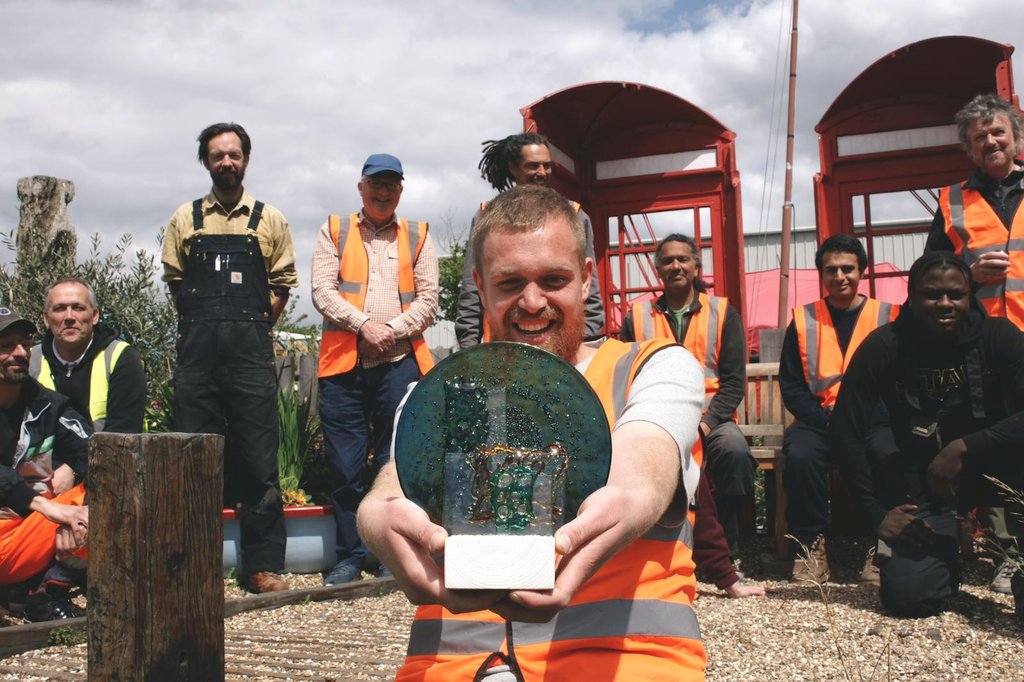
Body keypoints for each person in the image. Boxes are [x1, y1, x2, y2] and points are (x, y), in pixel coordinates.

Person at [358, 185, 707, 680]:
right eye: (509, 284)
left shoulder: (652, 369)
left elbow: (643, 468)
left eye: (553, 279)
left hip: (621, 661)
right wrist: (373, 517)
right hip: (453, 665)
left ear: (586, 278)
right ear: (479, 286)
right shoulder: (434, 393)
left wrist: (621, 504)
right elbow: (393, 490)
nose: (532, 301)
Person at [830, 252, 1024, 616]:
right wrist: (877, 515)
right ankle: (943, 557)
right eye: (933, 295)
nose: (946, 304)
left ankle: (1016, 563)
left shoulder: (999, 337)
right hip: (926, 484)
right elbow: (845, 431)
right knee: (908, 597)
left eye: (956, 294)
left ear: (970, 296)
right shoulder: (885, 345)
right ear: (912, 296)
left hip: (999, 473)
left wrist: (965, 447)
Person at [162, 122, 298, 594]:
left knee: (259, 461)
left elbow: (281, 286)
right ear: (205, 161)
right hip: (198, 353)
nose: (226, 162)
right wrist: (208, 322)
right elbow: (177, 285)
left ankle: (261, 566)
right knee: (192, 457)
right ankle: (193, 564)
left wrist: (255, 324)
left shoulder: (270, 220)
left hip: (250, 353)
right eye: (217, 155)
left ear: (246, 159)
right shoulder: (185, 219)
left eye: (234, 154)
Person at [312, 153, 438, 586]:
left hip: (399, 364)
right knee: (344, 468)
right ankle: (350, 556)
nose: (383, 192)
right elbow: (322, 291)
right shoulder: (334, 229)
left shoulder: (419, 235)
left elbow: (429, 299)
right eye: (376, 185)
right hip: (344, 367)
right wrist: (364, 325)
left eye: (391, 185)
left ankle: (391, 555)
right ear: (361, 187)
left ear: (400, 190)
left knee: (394, 466)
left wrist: (391, 330)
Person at [926, 93, 1024, 592]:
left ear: (1015, 137)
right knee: (995, 445)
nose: (991, 140)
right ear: (969, 147)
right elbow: (928, 275)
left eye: (998, 132)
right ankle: (1009, 554)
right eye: (980, 136)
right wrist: (967, 271)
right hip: (979, 343)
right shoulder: (952, 199)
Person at [620, 233, 755, 561]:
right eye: (668, 260)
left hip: (713, 420)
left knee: (734, 452)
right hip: (659, 420)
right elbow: (624, 378)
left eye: (683, 259)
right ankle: (653, 548)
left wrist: (705, 426)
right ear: (658, 270)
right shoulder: (636, 319)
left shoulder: (723, 312)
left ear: (697, 266)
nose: (676, 266)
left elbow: (734, 383)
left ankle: (731, 548)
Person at [779, 235, 899, 583]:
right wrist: (825, 421)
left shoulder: (889, 317)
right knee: (800, 454)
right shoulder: (803, 321)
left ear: (862, 270)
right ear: (821, 274)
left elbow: (899, 380)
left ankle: (883, 544)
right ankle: (809, 545)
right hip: (821, 421)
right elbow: (792, 385)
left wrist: (863, 420)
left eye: (848, 268)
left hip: (872, 421)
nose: (839, 276)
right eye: (831, 269)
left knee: (888, 452)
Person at [455, 132, 605, 347]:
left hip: (566, 352)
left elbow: (591, 290)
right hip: (503, 348)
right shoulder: (486, 216)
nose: (542, 173)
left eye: (547, 165)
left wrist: (587, 343)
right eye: (533, 166)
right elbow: (471, 289)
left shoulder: (575, 215)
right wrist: (469, 348)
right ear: (513, 168)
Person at [0, 308, 91, 621]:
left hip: (23, 537)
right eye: (6, 345)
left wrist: (74, 470)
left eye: (24, 343)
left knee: (100, 500)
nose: (20, 352)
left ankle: (47, 590)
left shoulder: (45, 404)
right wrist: (48, 507)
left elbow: (97, 449)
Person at [29, 277, 146, 433]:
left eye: (78, 308)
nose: (69, 317)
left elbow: (125, 432)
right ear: (46, 319)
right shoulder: (28, 361)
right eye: (60, 309)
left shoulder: (121, 358)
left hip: (107, 455)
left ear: (95, 316)